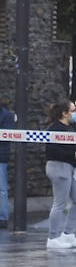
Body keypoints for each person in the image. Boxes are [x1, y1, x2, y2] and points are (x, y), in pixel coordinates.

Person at [45, 100, 76, 250]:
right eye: (73, 110)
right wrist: (75, 155)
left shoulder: (70, 128)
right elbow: (53, 151)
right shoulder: (55, 129)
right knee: (60, 203)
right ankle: (53, 237)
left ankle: (68, 233)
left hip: (69, 167)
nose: (75, 113)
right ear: (64, 113)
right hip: (59, 167)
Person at [0, 97, 14, 229]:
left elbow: (7, 135)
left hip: (1, 157)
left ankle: (2, 217)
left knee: (1, 189)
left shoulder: (7, 116)